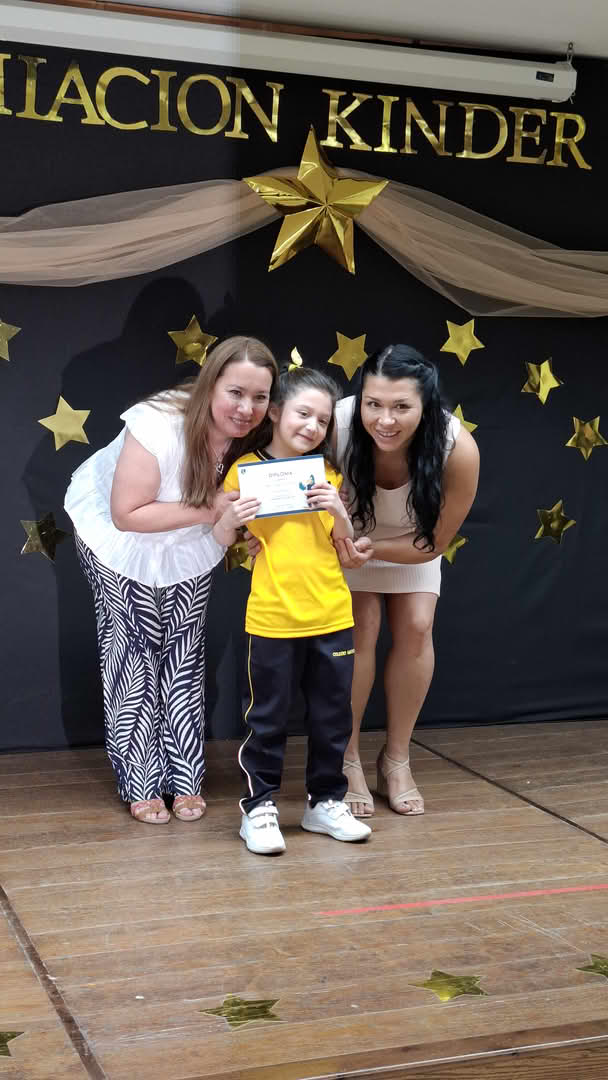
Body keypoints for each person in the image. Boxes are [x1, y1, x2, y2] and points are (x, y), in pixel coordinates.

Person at [64, 336, 277, 824]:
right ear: (210, 385)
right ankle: (140, 779)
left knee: (183, 653)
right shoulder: (158, 422)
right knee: (133, 654)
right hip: (123, 537)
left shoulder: (260, 432)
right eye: (235, 393)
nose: (246, 408)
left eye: (259, 397)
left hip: (190, 538)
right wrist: (212, 509)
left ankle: (185, 777)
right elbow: (127, 514)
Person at [214, 366, 372, 854]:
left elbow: (343, 544)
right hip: (273, 616)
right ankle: (259, 808)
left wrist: (339, 511)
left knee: (333, 717)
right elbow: (222, 537)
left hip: (332, 613)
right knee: (267, 718)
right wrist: (230, 520)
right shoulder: (244, 471)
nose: (312, 426)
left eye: (323, 421)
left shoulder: (327, 474)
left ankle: (325, 803)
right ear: (277, 412)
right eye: (304, 413)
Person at [333, 344, 480, 818]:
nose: (385, 420)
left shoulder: (457, 447)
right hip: (343, 541)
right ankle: (347, 758)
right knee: (362, 626)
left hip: (412, 542)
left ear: (426, 404)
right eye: (373, 404)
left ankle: (395, 759)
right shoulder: (335, 426)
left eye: (401, 406)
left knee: (417, 625)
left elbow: (434, 542)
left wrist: (373, 548)